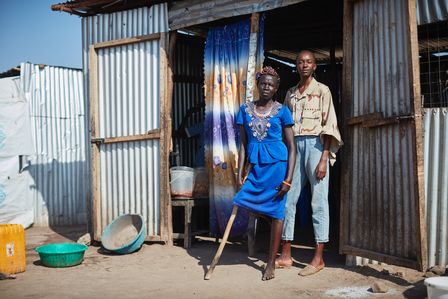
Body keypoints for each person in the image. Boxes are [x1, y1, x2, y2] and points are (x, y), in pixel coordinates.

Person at [275, 50, 343, 276]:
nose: (304, 65)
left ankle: (318, 257)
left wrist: (324, 158)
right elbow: (284, 126)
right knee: (288, 198)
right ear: (296, 66)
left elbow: (329, 125)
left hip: (316, 146)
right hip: (294, 148)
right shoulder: (291, 93)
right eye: (300, 62)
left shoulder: (323, 91)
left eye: (309, 62)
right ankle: (286, 254)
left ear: (315, 66)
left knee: (319, 201)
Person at [233, 66, 296, 280]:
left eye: (271, 84)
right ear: (258, 85)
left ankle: (270, 262)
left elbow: (292, 147)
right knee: (244, 200)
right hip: (256, 167)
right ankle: (260, 243)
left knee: (277, 212)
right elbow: (243, 144)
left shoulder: (282, 111)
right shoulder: (245, 109)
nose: (266, 87)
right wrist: (240, 170)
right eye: (263, 83)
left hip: (278, 166)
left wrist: (288, 179)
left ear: (277, 88)